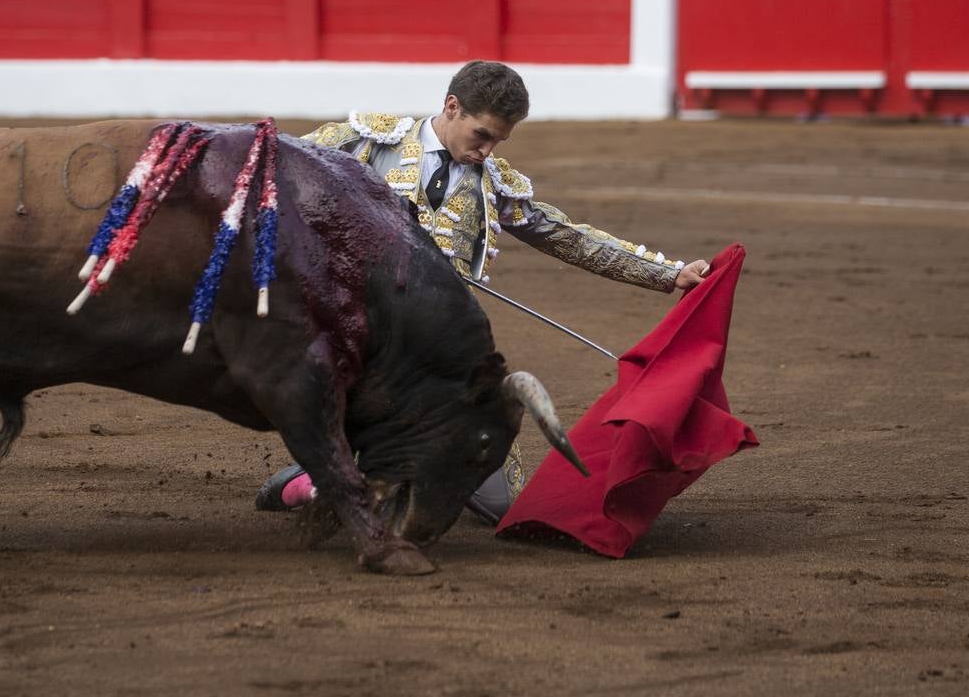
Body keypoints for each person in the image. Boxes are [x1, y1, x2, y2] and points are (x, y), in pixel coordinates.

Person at [255, 61, 710, 523]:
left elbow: (565, 235)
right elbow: (263, 176)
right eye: (481, 135)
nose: (487, 151)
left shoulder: (492, 183)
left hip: (441, 350)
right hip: (359, 341)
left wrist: (667, 274)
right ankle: (319, 472)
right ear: (451, 107)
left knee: (503, 506)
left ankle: (336, 470)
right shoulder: (363, 143)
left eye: (498, 141)